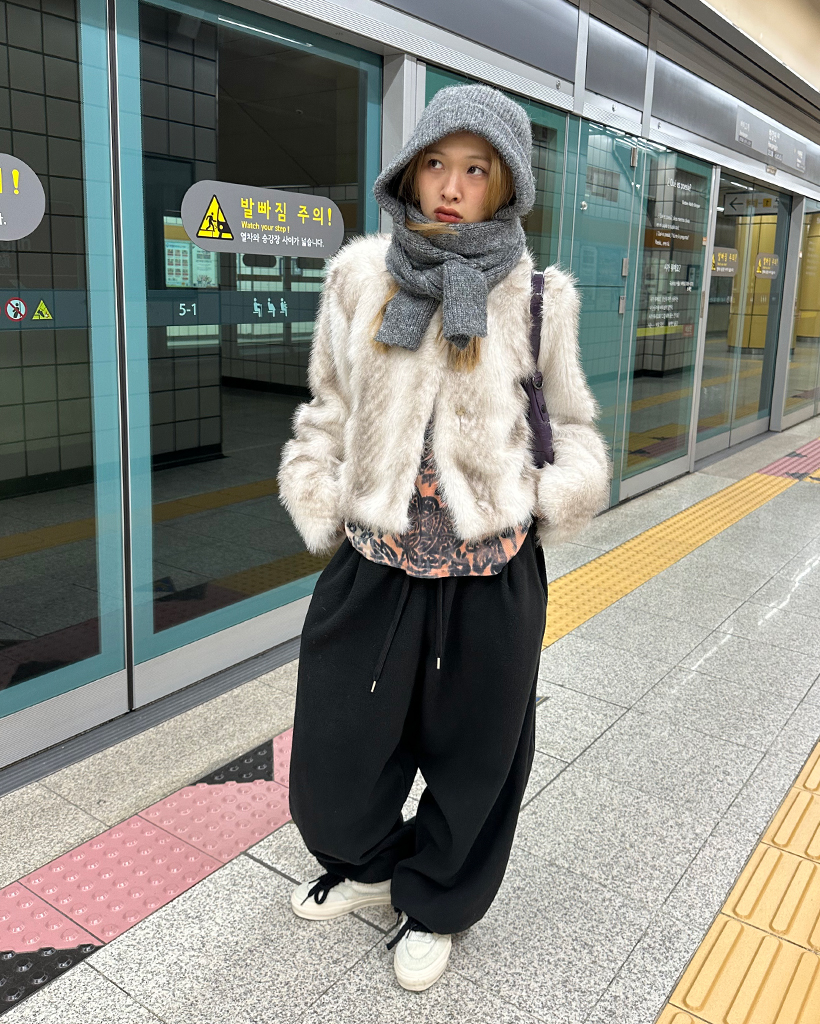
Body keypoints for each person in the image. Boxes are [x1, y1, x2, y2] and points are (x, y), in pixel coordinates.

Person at [277, 83, 610, 993]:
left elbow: (571, 424)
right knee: (336, 760)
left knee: (477, 761)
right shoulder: (358, 278)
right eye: (436, 163)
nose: (451, 186)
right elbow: (328, 407)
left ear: (506, 185)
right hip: (375, 564)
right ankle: (370, 862)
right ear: (409, 172)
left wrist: (548, 496)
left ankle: (436, 904)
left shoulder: (538, 298)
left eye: (475, 169)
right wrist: (318, 490)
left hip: (491, 572)